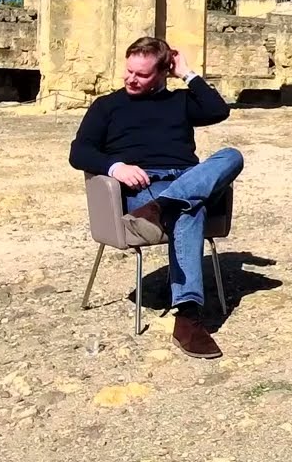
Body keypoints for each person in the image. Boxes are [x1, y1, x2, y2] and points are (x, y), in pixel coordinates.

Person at [69, 36, 243, 359]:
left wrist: (188, 74)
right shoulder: (107, 107)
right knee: (192, 208)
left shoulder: (180, 102)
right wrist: (115, 166)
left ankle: (169, 204)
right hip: (145, 188)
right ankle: (189, 317)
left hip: (182, 182)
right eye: (129, 71)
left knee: (232, 156)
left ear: (163, 73)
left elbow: (218, 110)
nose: (131, 79)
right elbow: (78, 152)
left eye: (142, 74)